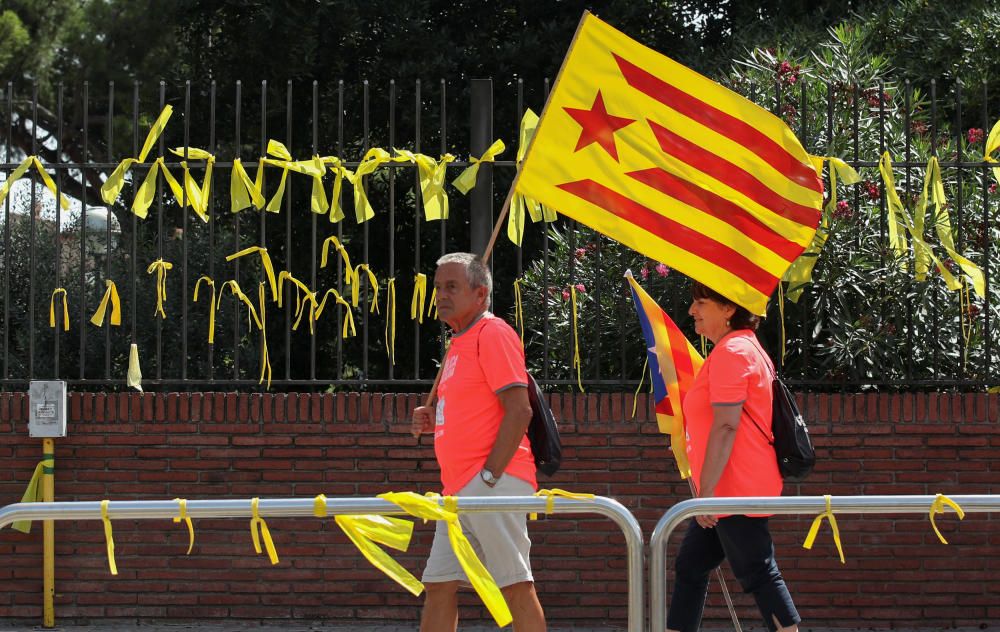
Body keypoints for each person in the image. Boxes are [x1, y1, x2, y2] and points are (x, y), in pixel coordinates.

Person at [410, 252, 546, 632]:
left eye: (452, 287)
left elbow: (520, 410)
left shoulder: (493, 333)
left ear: (480, 293)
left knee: (515, 584)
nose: (440, 295)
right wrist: (431, 416)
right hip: (458, 490)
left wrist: (488, 478)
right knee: (438, 585)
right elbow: (471, 412)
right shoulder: (460, 341)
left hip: (490, 483)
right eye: (438, 287)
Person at [667, 282, 800, 632]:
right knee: (690, 566)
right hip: (729, 489)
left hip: (734, 490)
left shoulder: (734, 352)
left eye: (702, 303)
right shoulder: (739, 348)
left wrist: (706, 494)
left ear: (729, 309)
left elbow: (726, 426)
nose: (693, 311)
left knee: (758, 573)